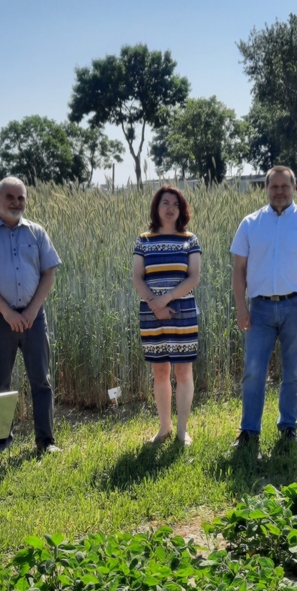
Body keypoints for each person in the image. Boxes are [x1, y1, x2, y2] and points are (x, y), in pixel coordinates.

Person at [231, 165, 297, 448]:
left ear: (295, 188)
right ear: (265, 189)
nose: (279, 192)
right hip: (260, 309)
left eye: (284, 186)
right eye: (273, 187)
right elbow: (239, 269)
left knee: (295, 372)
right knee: (253, 372)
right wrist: (241, 307)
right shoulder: (250, 224)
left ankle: (288, 427)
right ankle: (249, 432)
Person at [0, 176, 62, 454]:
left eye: (21, 198)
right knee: (0, 381)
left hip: (33, 317)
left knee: (41, 378)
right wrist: (7, 313)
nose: (16, 203)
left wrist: (31, 311)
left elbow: (48, 273)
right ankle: (1, 440)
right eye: (10, 197)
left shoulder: (37, 232)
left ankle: (46, 441)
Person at [133, 185, 201, 446]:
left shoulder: (190, 240)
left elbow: (194, 277)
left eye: (175, 203)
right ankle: (164, 428)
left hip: (182, 311)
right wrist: (155, 304)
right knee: (160, 371)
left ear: (181, 209)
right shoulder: (144, 240)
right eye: (165, 203)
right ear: (156, 208)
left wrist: (165, 299)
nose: (170, 207)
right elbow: (137, 277)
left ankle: (183, 430)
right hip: (151, 313)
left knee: (183, 371)